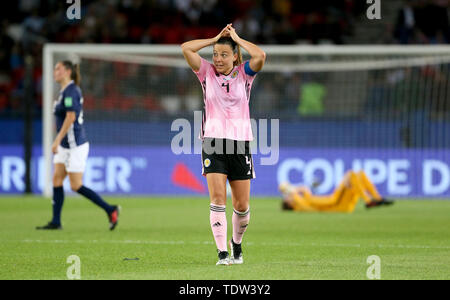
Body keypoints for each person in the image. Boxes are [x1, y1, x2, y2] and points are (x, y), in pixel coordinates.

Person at [181, 24, 266, 265]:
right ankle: (222, 254)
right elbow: (186, 48)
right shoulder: (205, 72)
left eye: (224, 54)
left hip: (240, 144)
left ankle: (236, 244)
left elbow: (260, 56)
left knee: (242, 205)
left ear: (235, 56)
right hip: (214, 142)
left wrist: (237, 38)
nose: (217, 59)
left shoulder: (245, 73)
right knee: (218, 199)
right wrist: (213, 39)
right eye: (215, 54)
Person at [36, 61, 120, 230]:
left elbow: (71, 117)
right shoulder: (64, 92)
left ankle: (110, 209)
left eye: (58, 68)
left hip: (75, 145)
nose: (55, 72)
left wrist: (57, 139)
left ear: (67, 71)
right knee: (57, 178)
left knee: (75, 185)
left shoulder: (71, 91)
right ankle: (56, 221)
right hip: (65, 145)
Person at [279, 170, 394, 213]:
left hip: (339, 202)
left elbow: (303, 191)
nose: (288, 197)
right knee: (351, 175)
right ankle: (369, 200)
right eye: (287, 199)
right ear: (289, 204)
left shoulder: (301, 202)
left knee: (359, 174)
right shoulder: (299, 205)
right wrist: (292, 190)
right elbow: (286, 188)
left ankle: (377, 198)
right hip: (336, 203)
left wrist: (293, 190)